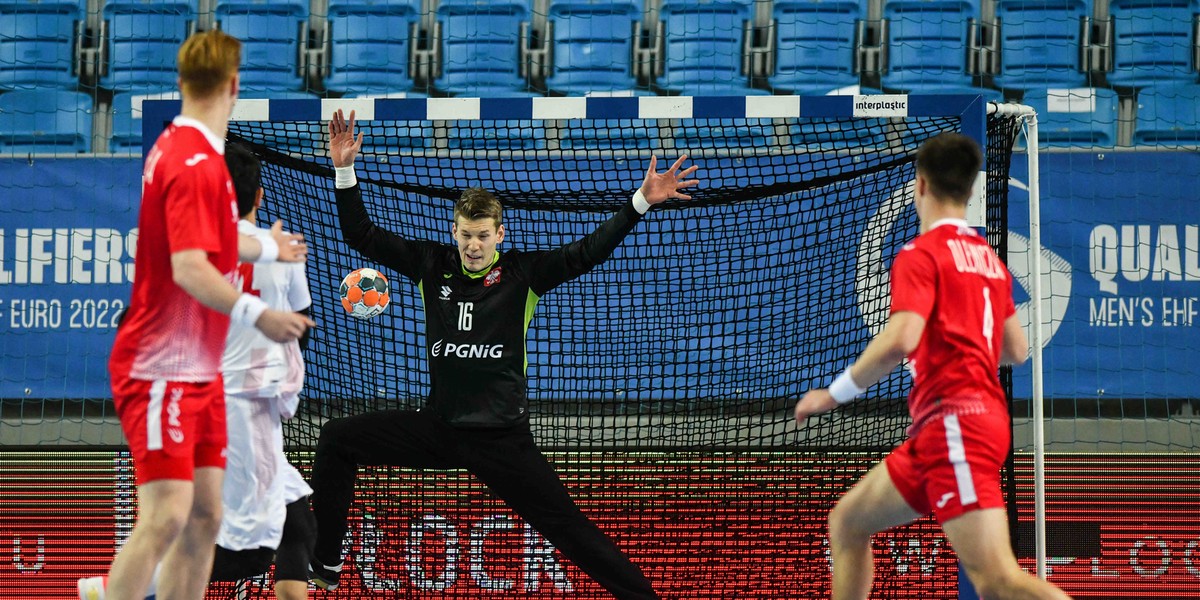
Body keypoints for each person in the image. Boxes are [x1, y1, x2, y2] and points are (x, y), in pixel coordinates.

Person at [305, 109, 698, 599]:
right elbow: (361, 234)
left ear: (500, 235)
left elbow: (588, 252)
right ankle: (325, 562)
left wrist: (640, 202)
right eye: (466, 234)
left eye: (483, 235)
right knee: (337, 438)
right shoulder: (430, 264)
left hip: (502, 439)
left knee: (572, 532)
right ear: (454, 231)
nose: (473, 245)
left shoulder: (523, 274)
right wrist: (344, 170)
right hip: (440, 428)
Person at [78, 30, 314, 600]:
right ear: (234, 85)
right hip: (163, 363)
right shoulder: (193, 162)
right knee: (167, 515)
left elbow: (211, 239)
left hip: (203, 369)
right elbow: (188, 266)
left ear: (182, 81)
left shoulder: (190, 150)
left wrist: (265, 249)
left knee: (206, 518)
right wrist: (259, 314)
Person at [793, 133, 1072, 600]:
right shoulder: (988, 260)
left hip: (956, 426)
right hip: (948, 429)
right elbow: (1016, 349)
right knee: (847, 523)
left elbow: (901, 339)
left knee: (997, 581)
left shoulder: (919, 255)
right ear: (970, 191)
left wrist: (833, 394)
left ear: (920, 185)